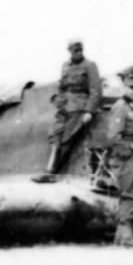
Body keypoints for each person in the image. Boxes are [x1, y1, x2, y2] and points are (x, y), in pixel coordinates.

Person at [41, 38, 101, 179]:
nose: (78, 53)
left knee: (67, 138)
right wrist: (59, 100)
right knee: (55, 135)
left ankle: (53, 172)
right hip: (65, 106)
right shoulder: (65, 66)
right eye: (75, 50)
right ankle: (49, 169)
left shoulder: (89, 65)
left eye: (80, 50)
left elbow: (96, 90)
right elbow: (61, 87)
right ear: (70, 51)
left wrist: (89, 111)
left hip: (79, 107)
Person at [106, 73, 133, 248]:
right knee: (132, 194)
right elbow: (113, 137)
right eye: (132, 88)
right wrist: (128, 152)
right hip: (126, 155)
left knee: (130, 193)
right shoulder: (120, 107)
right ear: (123, 88)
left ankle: (121, 237)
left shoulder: (132, 107)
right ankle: (127, 238)